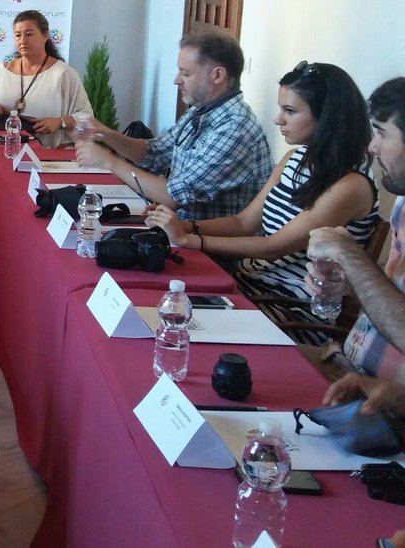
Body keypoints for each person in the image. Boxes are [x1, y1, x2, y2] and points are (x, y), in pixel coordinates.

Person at [146, 62, 378, 341]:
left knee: (169, 327)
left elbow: (273, 247)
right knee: (154, 307)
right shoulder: (294, 159)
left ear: (326, 117)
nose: (278, 119)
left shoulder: (350, 185)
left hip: (290, 311)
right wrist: (180, 225)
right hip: (247, 287)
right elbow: (243, 222)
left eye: (290, 111)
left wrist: (188, 239)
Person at [76, 30, 272, 220]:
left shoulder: (234, 128)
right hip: (181, 228)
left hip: (210, 241)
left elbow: (173, 197)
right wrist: (106, 134)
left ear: (217, 75)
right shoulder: (200, 110)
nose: (176, 80)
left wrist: (109, 161)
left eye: (186, 74)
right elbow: (154, 152)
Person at [305, 78, 405, 383]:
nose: (373, 146)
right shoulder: (402, 201)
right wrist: (351, 283)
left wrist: (349, 254)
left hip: (383, 398)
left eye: (382, 133)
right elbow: (394, 297)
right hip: (349, 366)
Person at [0, 9, 91, 148]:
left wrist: (60, 122)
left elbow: (87, 117)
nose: (23, 41)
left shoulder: (63, 74)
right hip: (3, 152)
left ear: (45, 35)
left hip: (47, 154)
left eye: (29, 34)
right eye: (18, 35)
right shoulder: (2, 71)